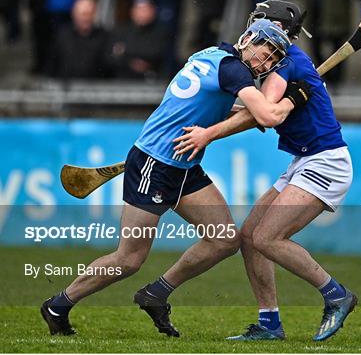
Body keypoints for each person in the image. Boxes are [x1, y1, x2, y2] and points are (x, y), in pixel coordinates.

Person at [40, 18, 312, 337]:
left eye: (274, 55)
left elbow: (223, 108)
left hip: (184, 166)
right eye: (265, 48)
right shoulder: (234, 70)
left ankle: (157, 292)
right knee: (129, 258)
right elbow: (264, 115)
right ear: (248, 38)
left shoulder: (211, 55)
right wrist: (293, 98)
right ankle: (59, 304)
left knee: (224, 239)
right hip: (155, 166)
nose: (267, 59)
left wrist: (256, 112)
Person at [173, 0, 356, 342]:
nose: (253, 28)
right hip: (303, 160)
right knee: (250, 237)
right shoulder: (282, 64)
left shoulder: (287, 63)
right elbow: (258, 109)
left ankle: (336, 295)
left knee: (268, 237)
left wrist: (208, 133)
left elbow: (265, 113)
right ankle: (270, 323)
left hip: (325, 161)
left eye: (260, 21)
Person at [107, 0, 170, 80]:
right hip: (122, 82)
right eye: (139, 9)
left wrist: (125, 52)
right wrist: (130, 61)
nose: (142, 13)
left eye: (146, 9)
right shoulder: (120, 31)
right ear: (132, 11)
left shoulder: (161, 32)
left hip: (151, 81)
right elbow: (109, 58)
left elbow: (156, 54)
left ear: (153, 11)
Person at [46, 0, 109, 79]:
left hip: (96, 88)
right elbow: (51, 65)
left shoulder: (104, 37)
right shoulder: (62, 36)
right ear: (74, 14)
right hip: (65, 88)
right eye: (83, 14)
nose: (86, 18)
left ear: (94, 15)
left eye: (89, 14)